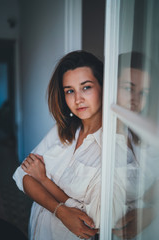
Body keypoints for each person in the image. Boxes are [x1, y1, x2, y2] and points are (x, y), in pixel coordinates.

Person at [13, 50, 103, 240]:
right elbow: (23, 175)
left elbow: (93, 219)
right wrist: (60, 211)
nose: (78, 99)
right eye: (70, 91)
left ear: (103, 87)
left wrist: (43, 179)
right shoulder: (61, 130)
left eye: (86, 87)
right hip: (38, 231)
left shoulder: (109, 146)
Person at [112, 52, 159, 240]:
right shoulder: (95, 138)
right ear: (110, 87)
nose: (136, 100)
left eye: (143, 93)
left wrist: (152, 212)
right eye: (128, 88)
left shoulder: (144, 134)